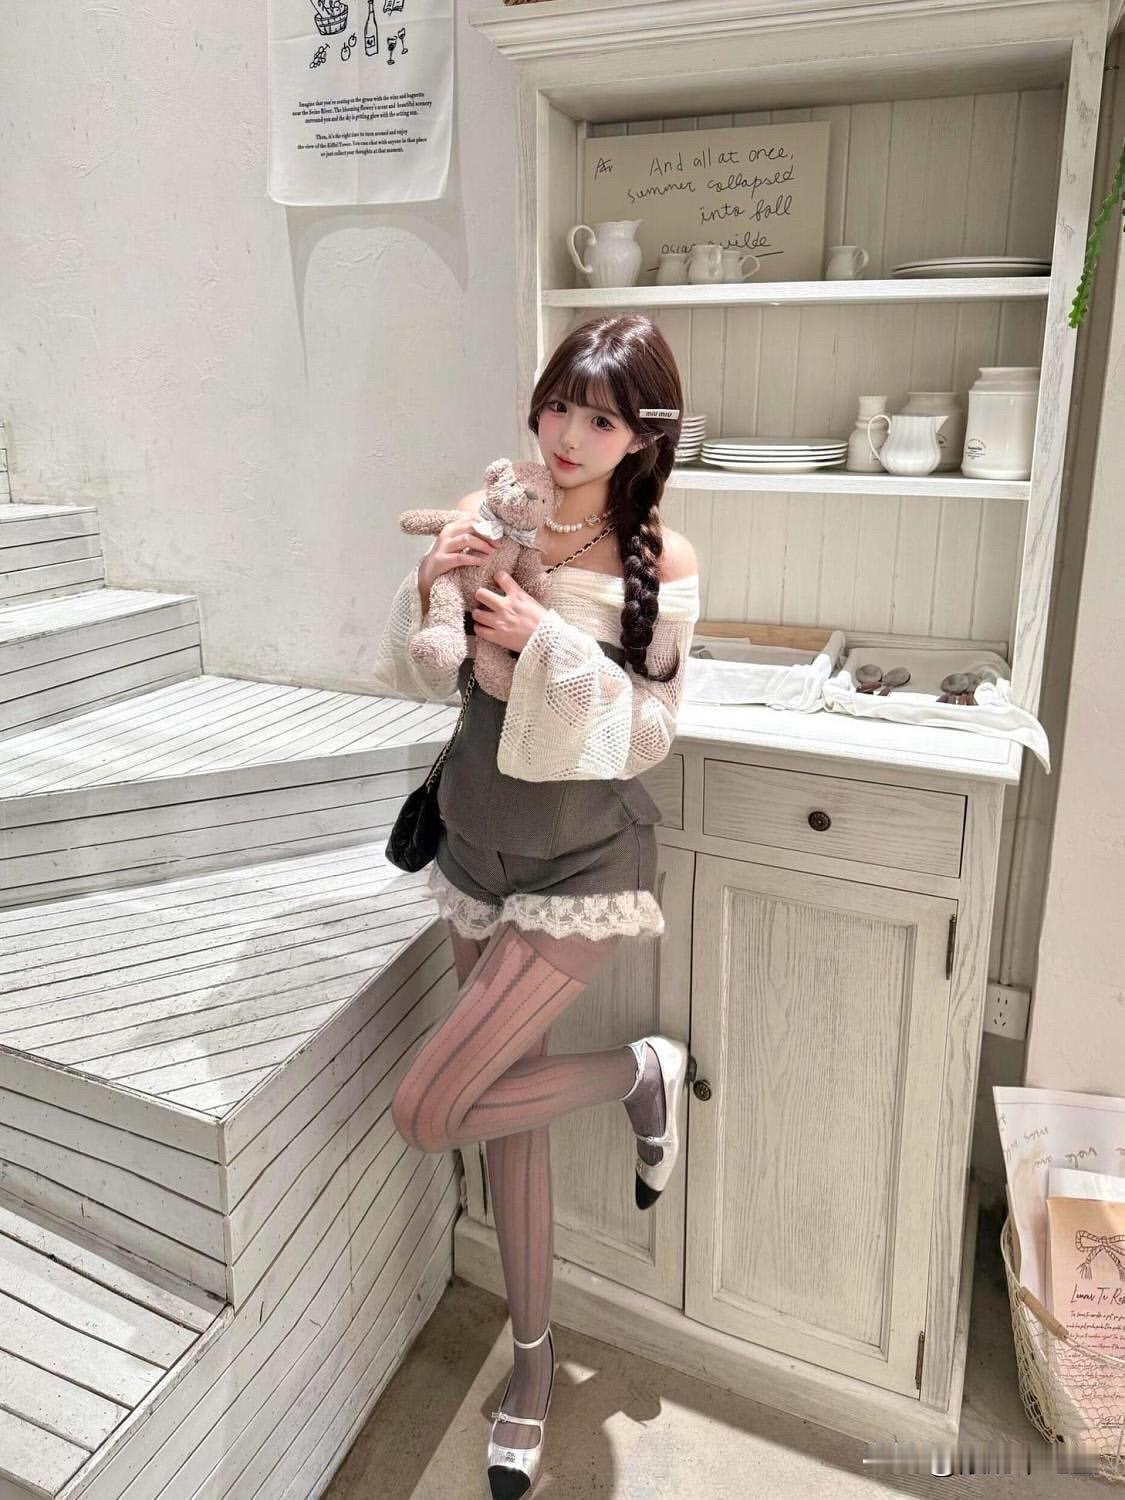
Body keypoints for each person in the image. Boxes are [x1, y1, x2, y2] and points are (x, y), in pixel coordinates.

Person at [371, 313, 700, 1499]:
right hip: (475, 842)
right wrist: (431, 582)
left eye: (597, 419)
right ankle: (530, 1364)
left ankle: (637, 1072)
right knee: (503, 1125)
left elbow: (652, 734)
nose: (565, 434)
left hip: (581, 862)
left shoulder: (665, 557)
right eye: (557, 404)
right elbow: (417, 670)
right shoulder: (493, 506)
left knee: (428, 1112)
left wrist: (547, 636)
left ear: (642, 434)